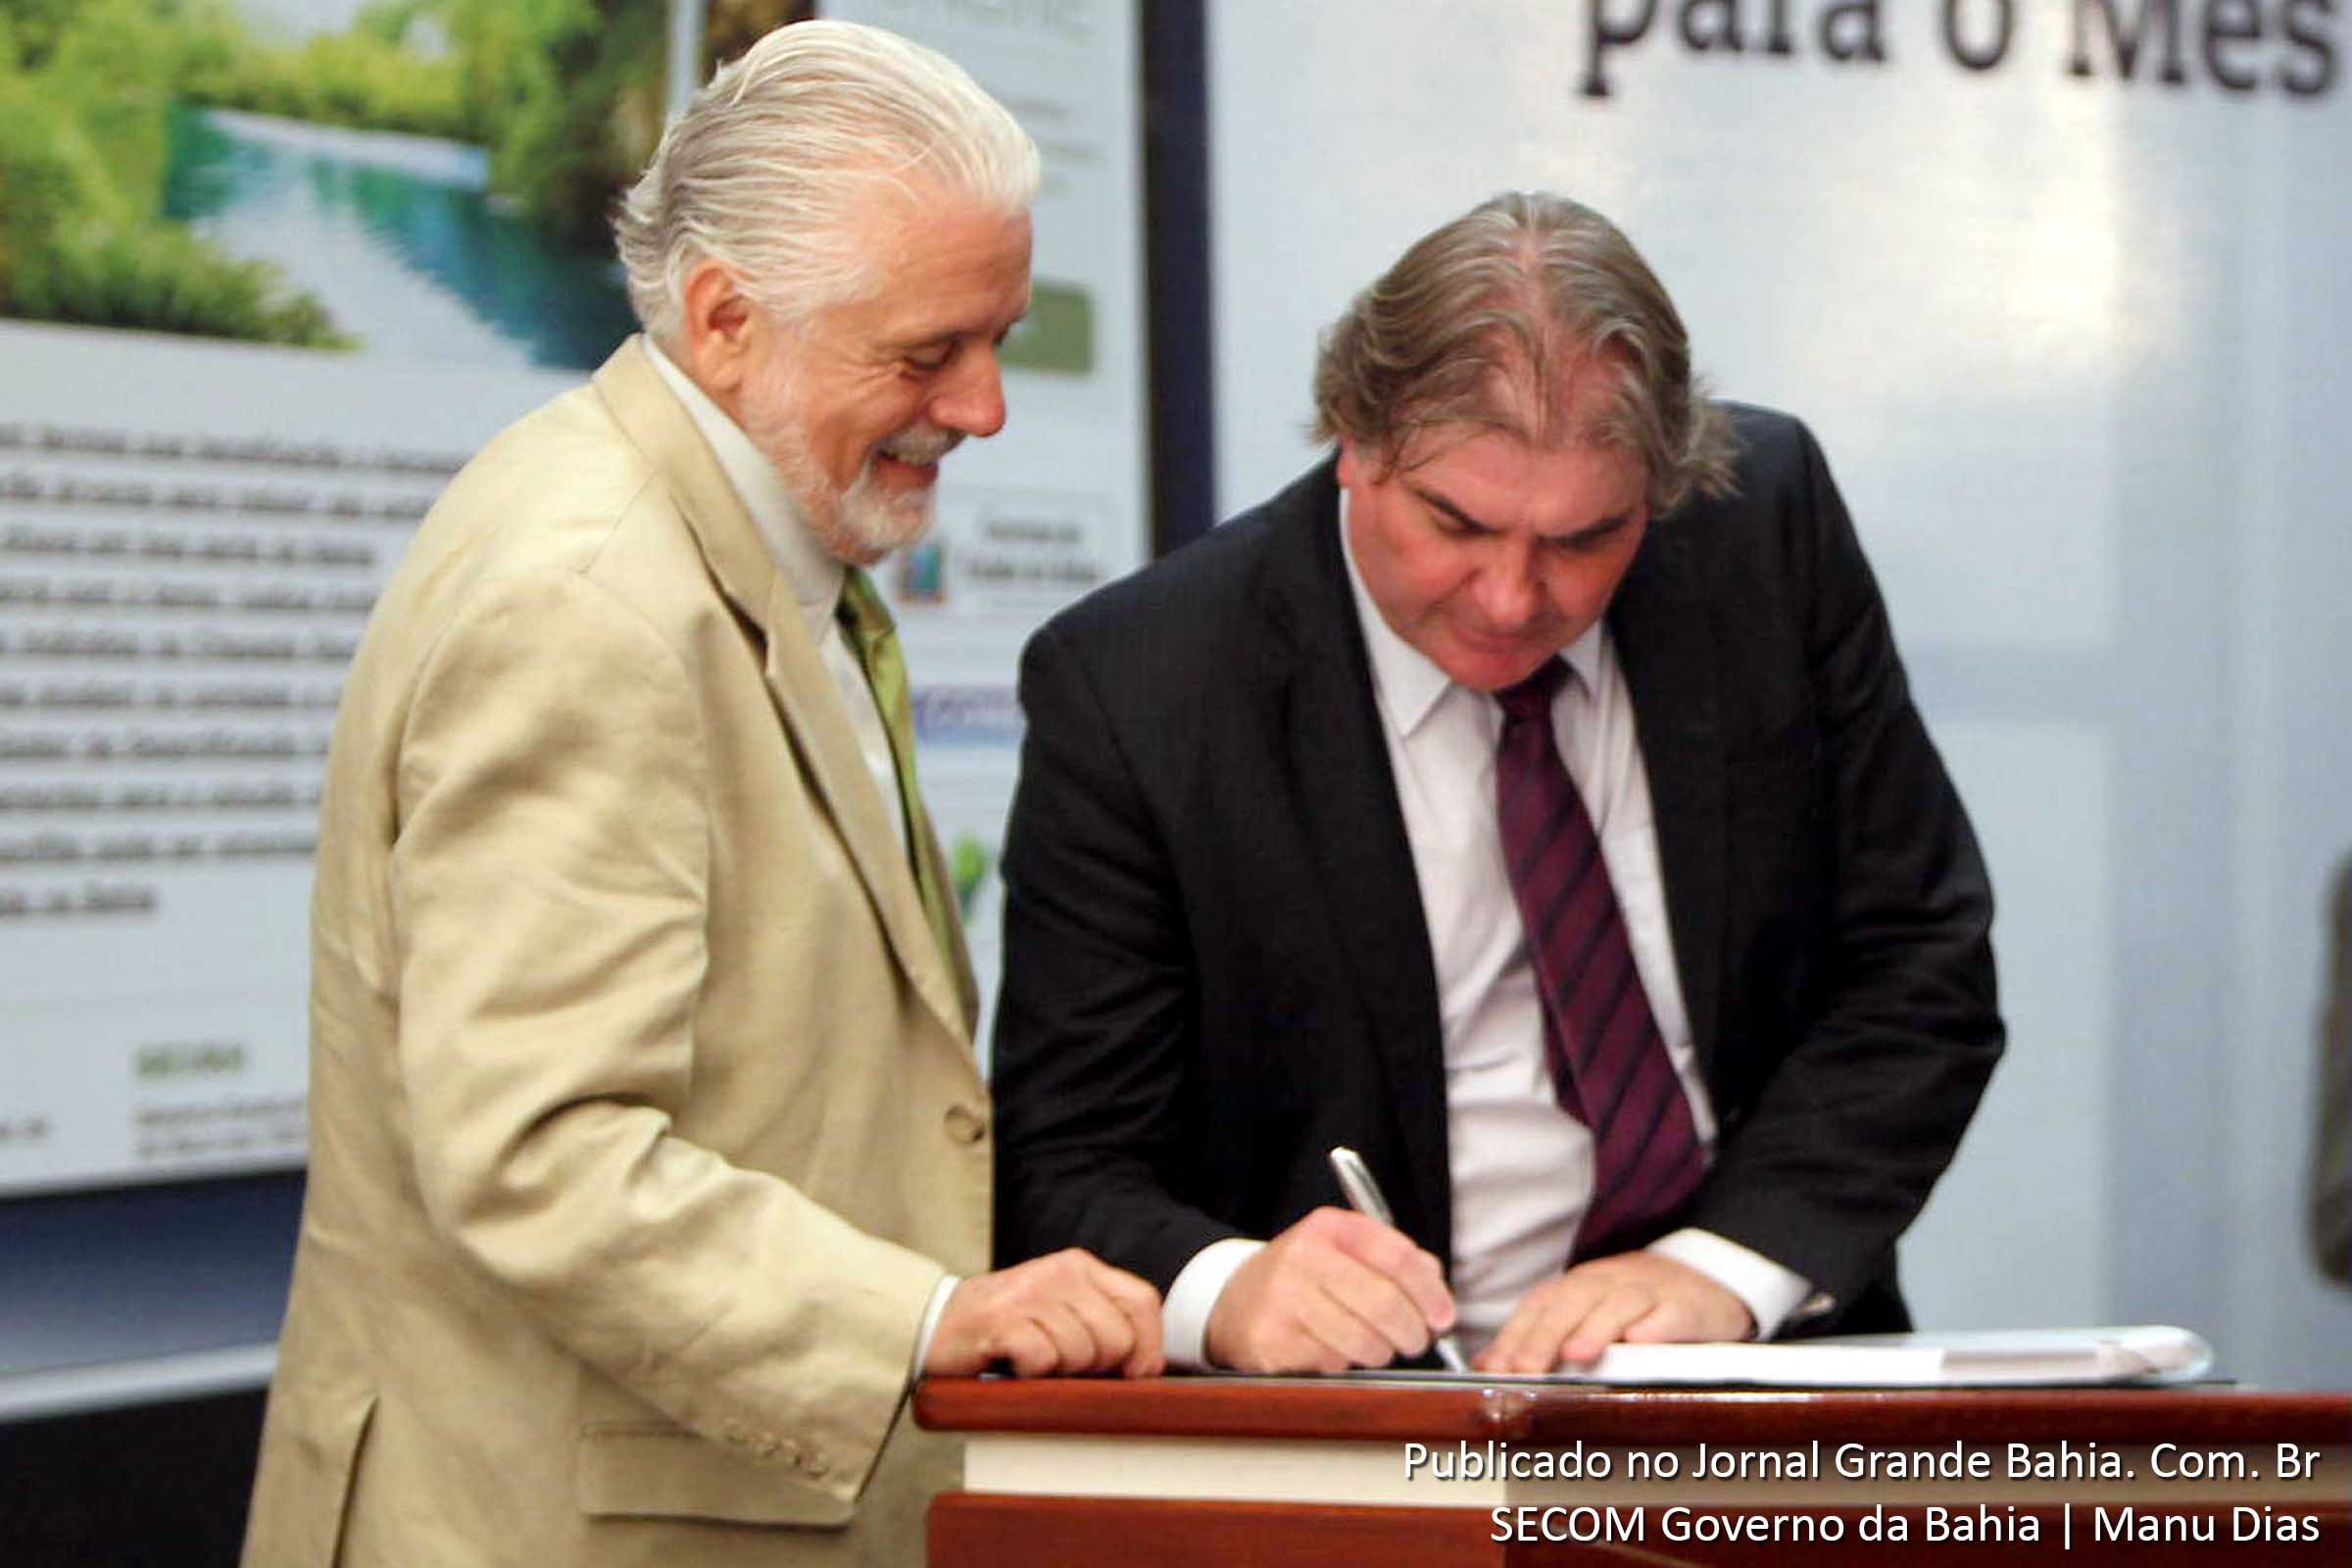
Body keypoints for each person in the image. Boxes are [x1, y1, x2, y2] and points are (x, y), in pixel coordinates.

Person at [242, 23, 1160, 1568]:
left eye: (999, 337)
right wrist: (926, 1317)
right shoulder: (589, 604)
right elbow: (542, 1154)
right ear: (727, 318)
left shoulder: (757, 541)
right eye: (930, 352)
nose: (986, 407)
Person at [992, 191, 2003, 1376]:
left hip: (1752, 1373)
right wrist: (1227, 1287)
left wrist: (1723, 1269)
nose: (1514, 598)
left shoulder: (1759, 528)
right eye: (1457, 523)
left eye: (1584, 540)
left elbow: (1919, 963)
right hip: (1353, 1424)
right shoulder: (1143, 684)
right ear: (1353, 441)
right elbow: (1064, 1163)